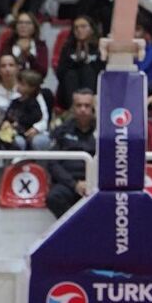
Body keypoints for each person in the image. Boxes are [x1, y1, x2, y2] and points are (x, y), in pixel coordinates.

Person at [46, 90, 97, 218]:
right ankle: (74, 228)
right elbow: (52, 162)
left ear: (94, 108)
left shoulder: (104, 132)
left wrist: (92, 183)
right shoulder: (61, 130)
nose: (83, 109)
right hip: (69, 183)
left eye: (87, 106)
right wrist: (74, 185)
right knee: (53, 197)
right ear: (73, 108)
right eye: (79, 105)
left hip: (96, 183)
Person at [54, 15, 103, 110]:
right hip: (70, 88)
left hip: (93, 87)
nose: (79, 30)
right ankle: (73, 108)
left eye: (83, 27)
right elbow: (60, 73)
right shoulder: (68, 48)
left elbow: (102, 71)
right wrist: (76, 61)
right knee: (70, 74)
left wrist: (87, 61)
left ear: (92, 29)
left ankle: (88, 106)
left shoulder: (99, 48)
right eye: (76, 27)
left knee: (88, 71)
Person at [0, 69, 53, 151]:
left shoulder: (34, 102)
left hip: (26, 132)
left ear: (32, 88)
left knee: (21, 142)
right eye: (18, 82)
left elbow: (37, 117)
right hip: (14, 131)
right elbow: (9, 114)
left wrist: (19, 123)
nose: (18, 86)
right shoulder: (15, 100)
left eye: (22, 84)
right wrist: (6, 121)